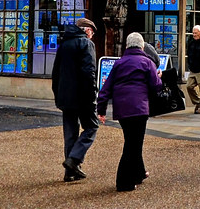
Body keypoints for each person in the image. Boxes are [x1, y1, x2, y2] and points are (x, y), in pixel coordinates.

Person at [97, 32, 163, 192]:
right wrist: (159, 77)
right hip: (139, 108)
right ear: (142, 46)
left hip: (122, 108)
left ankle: (138, 173)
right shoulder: (147, 62)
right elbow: (156, 86)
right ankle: (123, 182)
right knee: (132, 145)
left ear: (127, 46)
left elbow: (106, 88)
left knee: (132, 141)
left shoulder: (119, 63)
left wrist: (101, 109)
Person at [51, 17, 99, 182]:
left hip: (66, 96)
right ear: (86, 30)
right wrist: (93, 95)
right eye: (91, 32)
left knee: (70, 133)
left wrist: (58, 94)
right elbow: (89, 73)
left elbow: (55, 72)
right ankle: (74, 160)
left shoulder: (64, 44)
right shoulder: (86, 44)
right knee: (92, 127)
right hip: (83, 96)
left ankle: (70, 172)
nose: (92, 36)